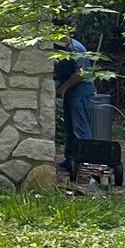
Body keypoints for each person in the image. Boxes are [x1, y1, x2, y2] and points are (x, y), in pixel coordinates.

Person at [53, 25, 96, 175]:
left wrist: (63, 88)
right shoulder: (64, 50)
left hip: (81, 94)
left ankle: (83, 161)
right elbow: (65, 66)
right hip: (72, 94)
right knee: (70, 128)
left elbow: (80, 73)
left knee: (81, 127)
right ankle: (70, 159)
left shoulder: (75, 49)